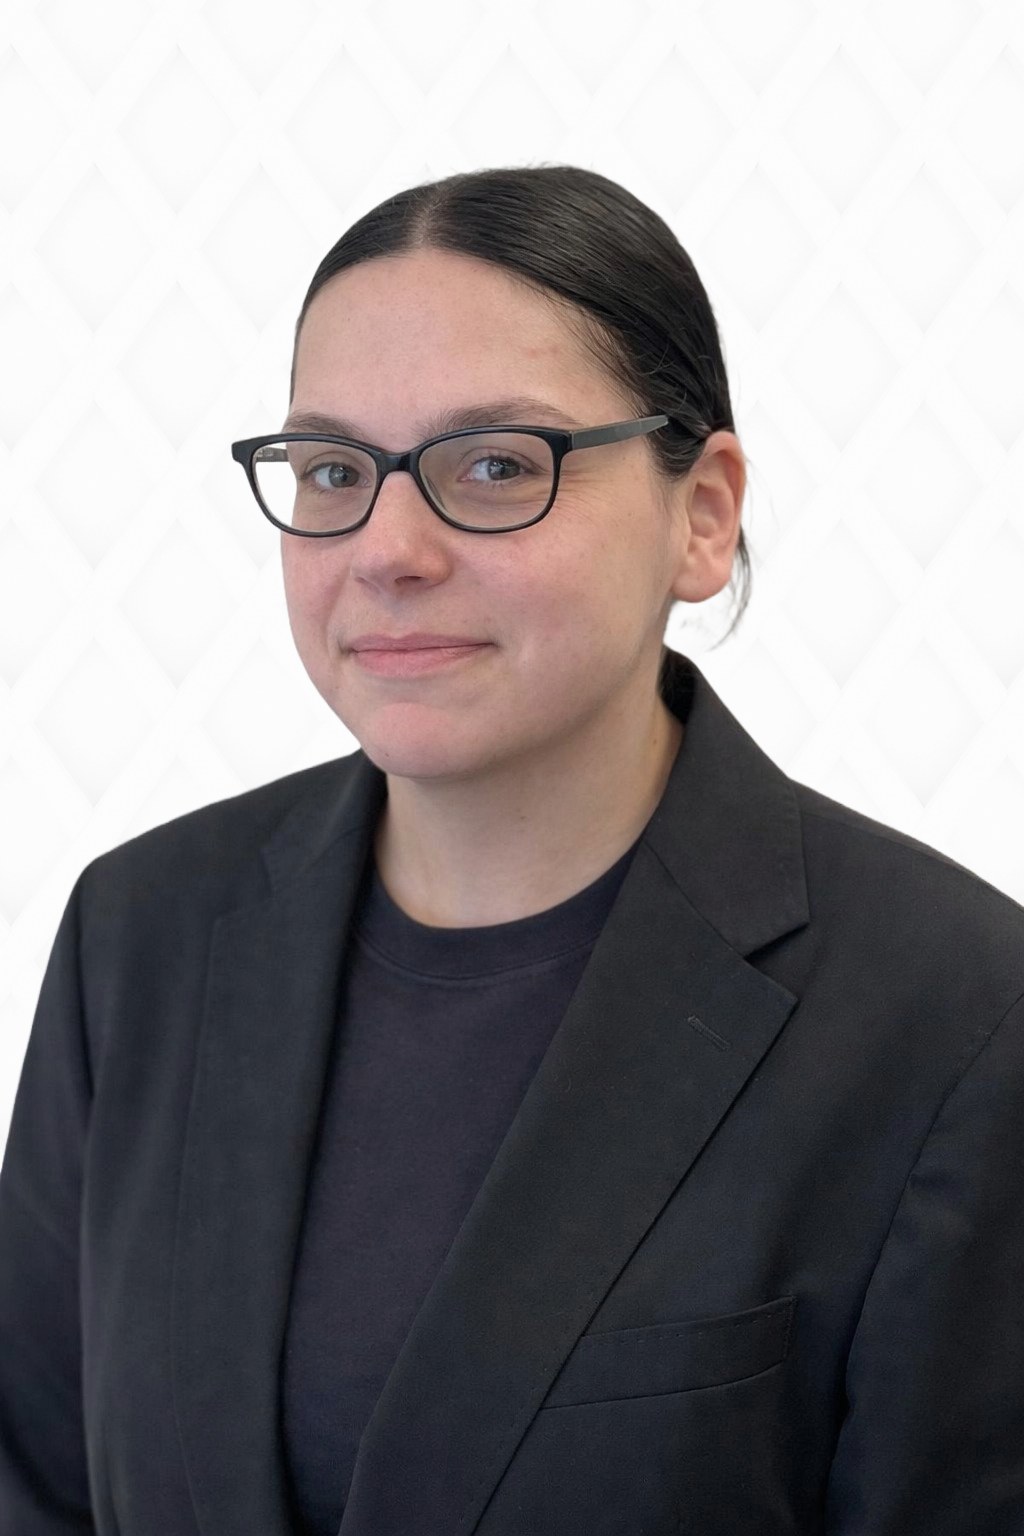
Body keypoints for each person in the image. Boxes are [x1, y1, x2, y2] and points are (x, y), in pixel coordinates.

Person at [1, 163, 1022, 1536]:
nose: (388, 548)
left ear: (703, 514)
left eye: (496, 465)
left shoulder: (957, 1015)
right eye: (333, 470)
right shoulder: (140, 934)